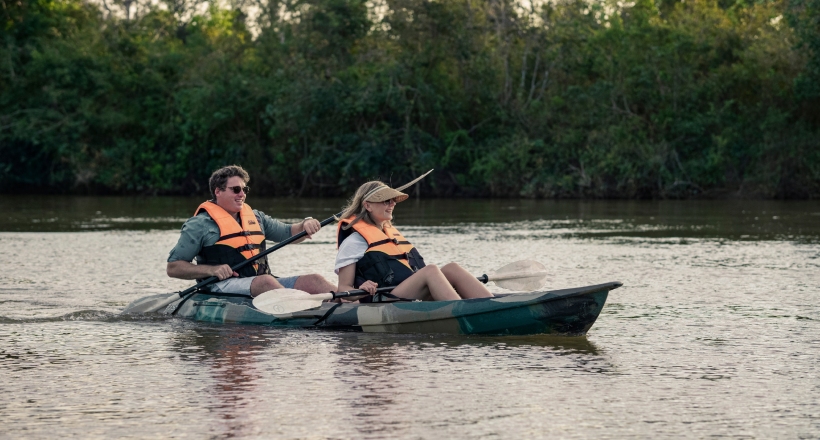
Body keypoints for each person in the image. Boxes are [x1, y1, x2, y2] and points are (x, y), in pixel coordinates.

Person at [167, 165, 336, 297]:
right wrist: (211, 270)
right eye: (236, 189)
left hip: (264, 283)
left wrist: (305, 224)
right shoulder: (199, 225)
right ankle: (302, 309)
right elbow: (173, 267)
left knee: (315, 280)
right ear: (218, 191)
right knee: (266, 282)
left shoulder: (257, 218)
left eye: (244, 189)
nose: (242, 194)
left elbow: (289, 232)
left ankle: (351, 302)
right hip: (221, 286)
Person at [334, 180, 494, 302]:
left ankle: (492, 305)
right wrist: (362, 288)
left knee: (451, 268)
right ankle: (463, 312)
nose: (392, 204)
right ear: (367, 206)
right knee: (431, 270)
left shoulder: (389, 234)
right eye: (386, 201)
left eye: (392, 200)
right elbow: (343, 289)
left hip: (408, 290)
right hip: (385, 298)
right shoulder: (353, 242)